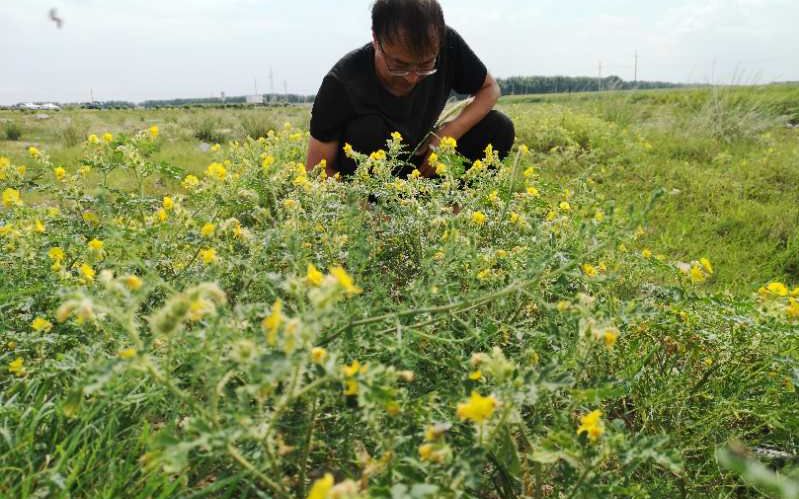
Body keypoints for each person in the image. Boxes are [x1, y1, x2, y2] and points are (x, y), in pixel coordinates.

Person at [306, 0, 515, 178]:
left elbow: (490, 89)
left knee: (499, 127)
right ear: (376, 40)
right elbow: (316, 171)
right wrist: (362, 209)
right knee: (369, 130)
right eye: (399, 65)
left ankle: (453, 212)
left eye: (426, 65)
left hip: (422, 167)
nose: (413, 77)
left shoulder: (448, 44)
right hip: (372, 183)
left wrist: (446, 136)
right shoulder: (342, 83)